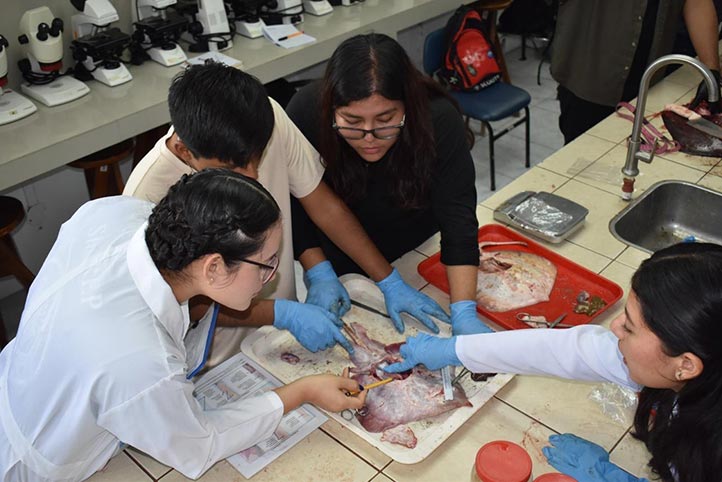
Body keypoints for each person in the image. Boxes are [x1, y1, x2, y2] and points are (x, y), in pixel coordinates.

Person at [0, 169, 367, 481]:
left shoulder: (115, 214)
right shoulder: (140, 360)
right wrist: (302, 391)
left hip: (26, 377)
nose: (270, 278)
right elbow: (200, 445)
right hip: (38, 455)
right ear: (213, 268)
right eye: (266, 264)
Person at [124, 62, 450, 365]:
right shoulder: (146, 196)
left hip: (284, 337)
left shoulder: (263, 120)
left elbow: (323, 204)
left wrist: (388, 280)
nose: (252, 175)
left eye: (257, 158)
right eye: (233, 168)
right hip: (217, 360)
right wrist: (282, 313)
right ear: (185, 152)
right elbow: (177, 302)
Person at [385, 242, 722, 481]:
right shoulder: (691, 366)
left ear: (687, 364)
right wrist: (455, 350)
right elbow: (561, 350)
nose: (615, 327)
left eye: (630, 327)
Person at [285, 33, 489, 337]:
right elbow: (296, 201)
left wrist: (464, 311)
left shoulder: (438, 119)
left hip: (415, 244)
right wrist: (318, 269)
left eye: (385, 119)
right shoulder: (306, 112)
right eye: (352, 122)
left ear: (407, 104)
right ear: (332, 109)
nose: (369, 137)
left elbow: (458, 218)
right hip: (342, 252)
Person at [552, 0, 721, 144]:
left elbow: (696, 3)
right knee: (583, 164)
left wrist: (711, 70)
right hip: (589, 78)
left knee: (638, 165)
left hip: (648, 82)